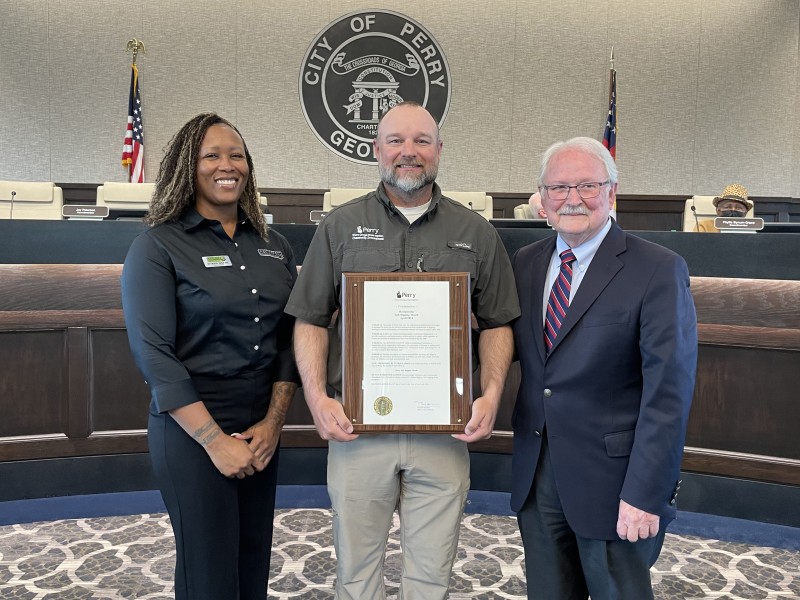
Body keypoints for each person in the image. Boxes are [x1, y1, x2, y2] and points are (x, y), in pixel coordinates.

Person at [285, 101, 520, 600]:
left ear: (439, 150)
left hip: (445, 432)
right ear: (376, 150)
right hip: (356, 430)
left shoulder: (475, 232)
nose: (408, 152)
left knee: (432, 576)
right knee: (356, 572)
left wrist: (492, 392)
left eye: (421, 141)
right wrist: (316, 399)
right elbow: (310, 318)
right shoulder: (340, 226)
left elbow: (497, 323)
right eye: (396, 141)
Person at [121, 112, 299, 600]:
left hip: (262, 423)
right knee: (209, 572)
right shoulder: (157, 246)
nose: (228, 165)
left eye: (237, 155)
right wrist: (215, 441)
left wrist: (273, 424)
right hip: (190, 428)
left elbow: (289, 341)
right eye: (212, 155)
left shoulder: (274, 245)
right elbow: (153, 354)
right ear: (187, 165)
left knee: (250, 560)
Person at [510, 137, 697, 600]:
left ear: (612, 193)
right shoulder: (526, 263)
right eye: (558, 187)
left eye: (587, 185)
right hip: (538, 477)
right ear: (542, 198)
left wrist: (646, 493)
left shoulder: (657, 269)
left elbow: (668, 394)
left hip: (617, 484)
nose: (572, 198)